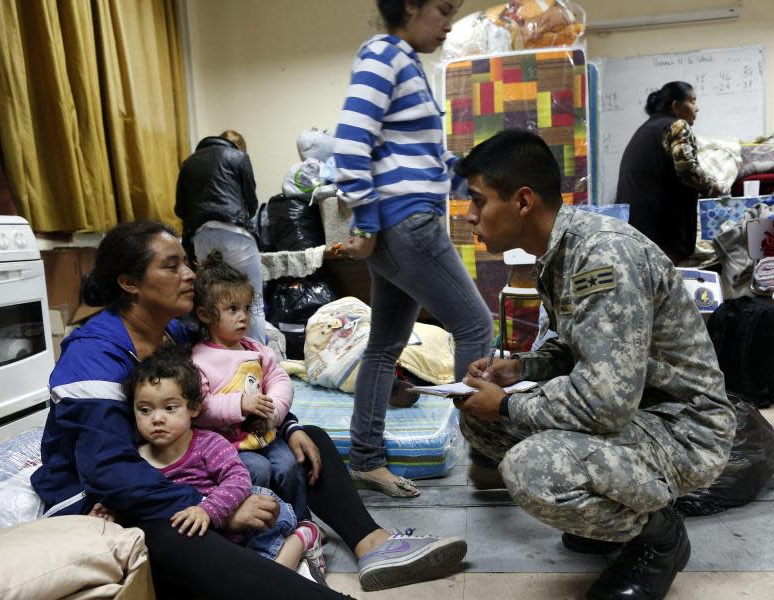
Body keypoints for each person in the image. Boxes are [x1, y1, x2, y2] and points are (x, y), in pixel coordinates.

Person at [31, 221, 466, 597]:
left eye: (187, 262)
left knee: (305, 440)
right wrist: (214, 504)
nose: (189, 275)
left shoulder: (179, 334)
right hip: (104, 494)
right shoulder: (93, 357)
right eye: (172, 266)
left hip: (178, 464)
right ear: (129, 283)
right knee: (178, 531)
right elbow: (109, 469)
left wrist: (287, 422)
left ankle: (373, 545)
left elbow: (247, 376)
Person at [453, 129, 735, 600]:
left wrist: (505, 406)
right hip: (635, 409)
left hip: (684, 427)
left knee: (532, 468)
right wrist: (522, 369)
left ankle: (658, 538)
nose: (470, 215)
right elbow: (577, 347)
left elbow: (603, 403)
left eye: (479, 201)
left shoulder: (601, 256)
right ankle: (610, 511)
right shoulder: (562, 251)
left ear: (522, 202)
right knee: (476, 422)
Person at [333, 0, 493, 497]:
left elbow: (429, 159)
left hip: (401, 222)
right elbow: (350, 141)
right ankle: (487, 459)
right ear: (408, 6)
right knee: (475, 326)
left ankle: (364, 460)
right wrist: (365, 222)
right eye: (443, 10)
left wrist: (485, 184)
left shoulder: (407, 63)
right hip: (408, 224)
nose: (449, 23)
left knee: (383, 348)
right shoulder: (383, 55)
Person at [124, 344, 326, 583]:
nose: (157, 418)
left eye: (170, 408)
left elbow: (239, 479)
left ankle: (304, 536)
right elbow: (132, 492)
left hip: (257, 521)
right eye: (145, 410)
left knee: (267, 579)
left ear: (194, 408)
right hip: (215, 536)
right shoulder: (135, 456)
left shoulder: (208, 444)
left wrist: (207, 509)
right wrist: (112, 507)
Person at [191, 250, 309, 523]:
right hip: (225, 445)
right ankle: (263, 531)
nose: (243, 317)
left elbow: (279, 379)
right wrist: (239, 404)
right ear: (205, 315)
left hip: (264, 434)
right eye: (232, 309)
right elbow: (200, 407)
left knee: (290, 465)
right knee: (257, 469)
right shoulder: (198, 359)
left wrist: (275, 411)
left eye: (246, 308)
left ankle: (302, 521)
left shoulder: (256, 350)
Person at [616, 81, 724, 265]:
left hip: (634, 227)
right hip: (661, 231)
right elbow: (687, 168)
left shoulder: (646, 128)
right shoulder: (677, 126)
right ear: (676, 106)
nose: (697, 108)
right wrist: (711, 186)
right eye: (692, 101)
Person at [175, 129, 267, 344]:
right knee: (254, 302)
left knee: (215, 302)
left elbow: (180, 209)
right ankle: (258, 362)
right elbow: (251, 204)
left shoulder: (188, 163)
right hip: (236, 233)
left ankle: (219, 359)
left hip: (200, 237)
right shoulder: (239, 157)